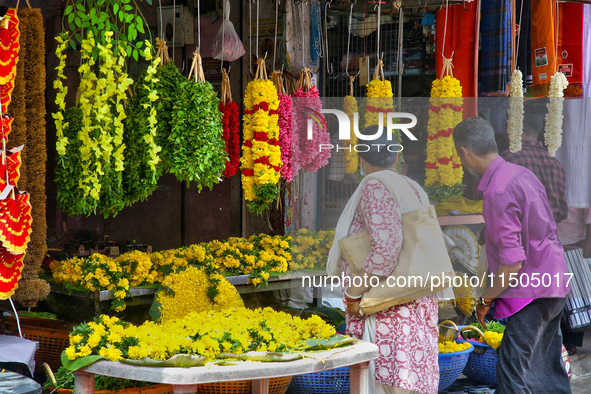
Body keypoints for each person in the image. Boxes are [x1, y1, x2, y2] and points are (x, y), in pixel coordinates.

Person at [453, 117, 571, 394]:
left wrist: (485, 299)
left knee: (513, 372)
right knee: (545, 370)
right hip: (554, 280)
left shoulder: (497, 191)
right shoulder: (520, 173)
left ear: (464, 152)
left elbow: (512, 262)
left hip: (529, 290)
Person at [327, 129, 439, 394]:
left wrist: (353, 293)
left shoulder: (376, 186)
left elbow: (386, 251)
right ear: (396, 156)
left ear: (361, 158)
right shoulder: (412, 186)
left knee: (386, 384)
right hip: (412, 302)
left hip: (388, 310)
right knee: (408, 380)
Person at [500, 99, 568, 224]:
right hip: (548, 239)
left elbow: (498, 204)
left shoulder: (508, 159)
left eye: (506, 127)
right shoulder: (556, 164)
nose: (505, 134)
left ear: (513, 128)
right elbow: (562, 212)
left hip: (515, 236)